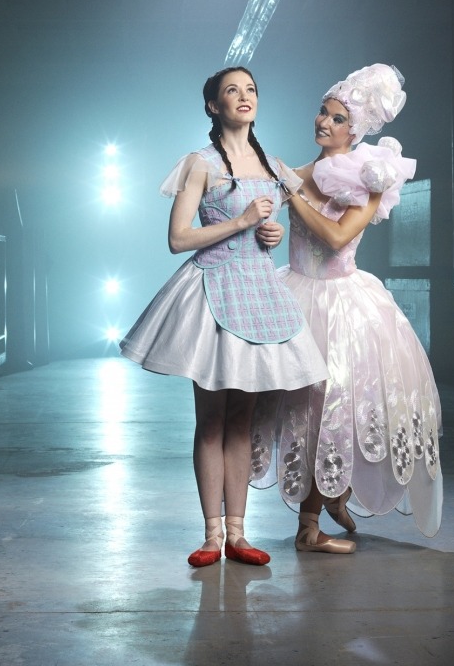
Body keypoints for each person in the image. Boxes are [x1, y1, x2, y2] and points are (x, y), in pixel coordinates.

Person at [121, 66, 329, 567]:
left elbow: (277, 224)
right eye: (232, 91)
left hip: (259, 292)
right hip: (213, 289)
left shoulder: (274, 166)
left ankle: (238, 534)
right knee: (212, 418)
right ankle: (211, 536)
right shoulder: (201, 163)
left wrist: (272, 234)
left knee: (243, 419)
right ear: (214, 106)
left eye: (251, 89)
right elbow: (178, 239)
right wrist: (240, 221)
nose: (244, 96)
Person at [250, 63, 443, 553]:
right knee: (306, 410)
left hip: (344, 306)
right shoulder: (300, 173)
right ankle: (315, 518)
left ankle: (329, 503)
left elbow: (337, 237)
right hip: (296, 294)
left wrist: (292, 195)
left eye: (338, 118)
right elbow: (263, 208)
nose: (325, 122)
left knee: (347, 405)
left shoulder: (370, 176)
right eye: (323, 111)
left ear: (355, 131)